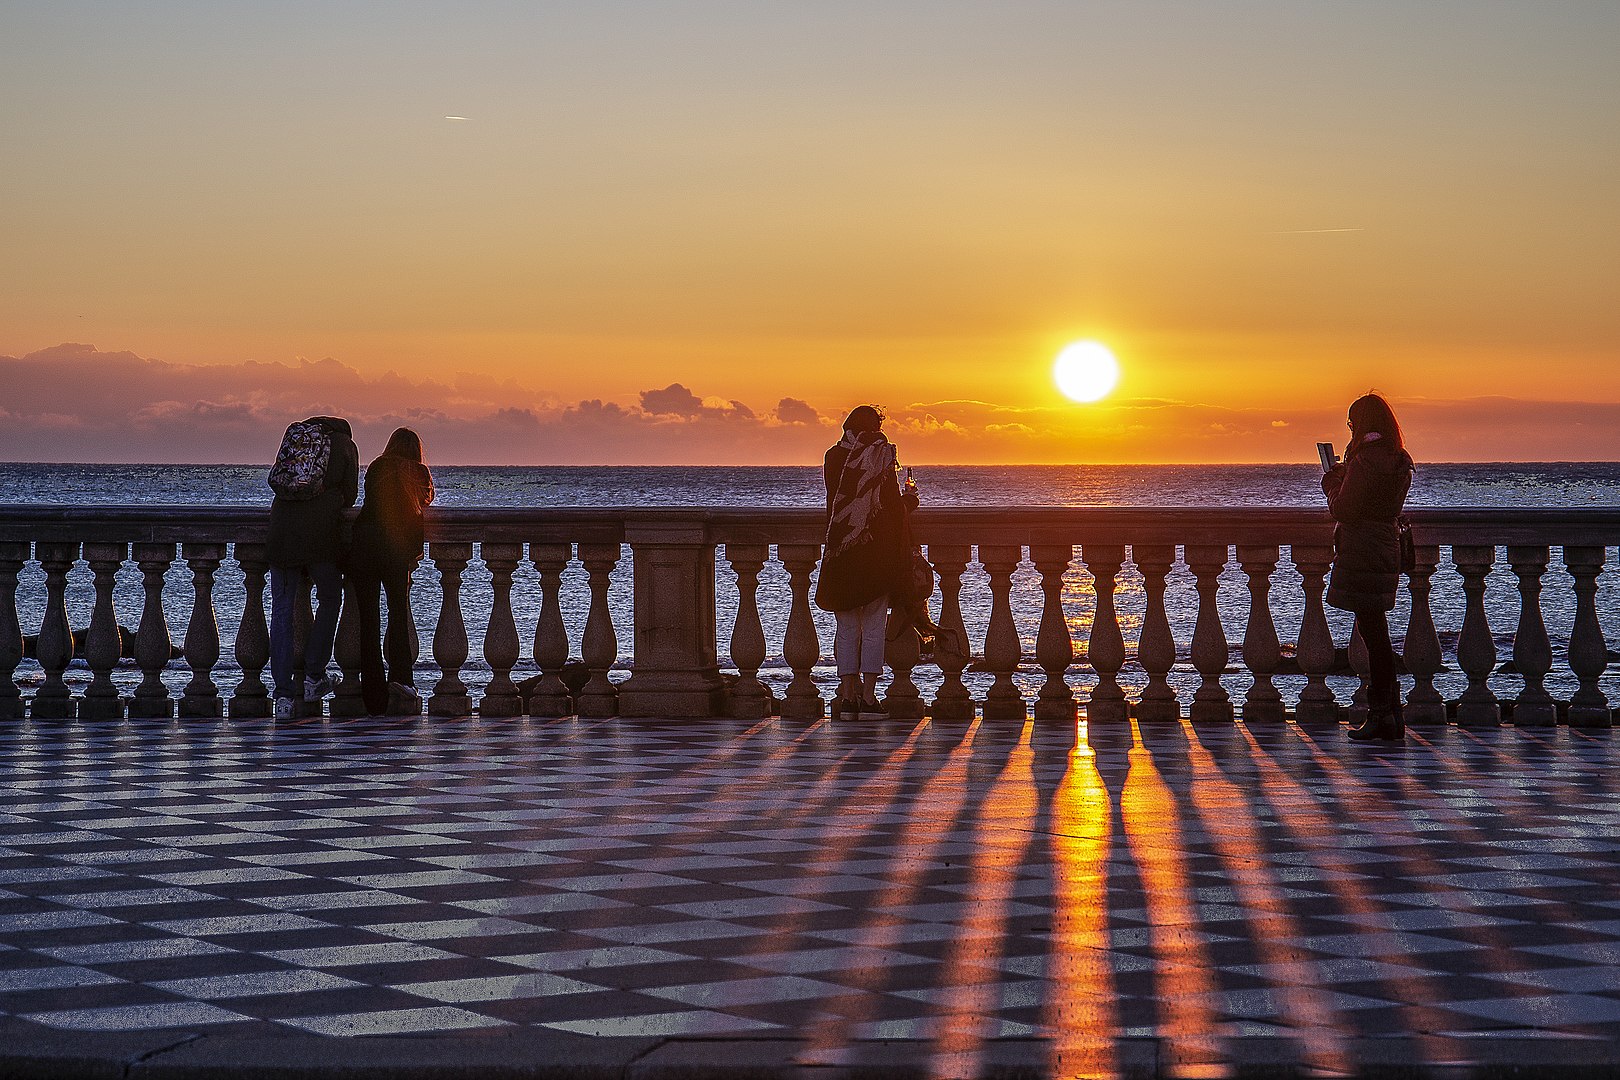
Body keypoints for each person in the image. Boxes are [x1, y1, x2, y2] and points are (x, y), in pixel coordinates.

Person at [814, 405, 917, 720]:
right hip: (873, 555)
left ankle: (847, 698)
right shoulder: (878, 456)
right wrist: (908, 501)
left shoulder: (833, 457)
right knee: (873, 627)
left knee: (846, 629)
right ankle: (869, 699)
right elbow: (887, 507)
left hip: (841, 553)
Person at [1323, 393, 1414, 742]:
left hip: (1362, 551)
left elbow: (1345, 509)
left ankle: (1383, 716)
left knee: (1374, 635)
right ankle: (1391, 715)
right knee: (1376, 633)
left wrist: (1332, 482)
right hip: (1386, 548)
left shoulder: (1365, 460)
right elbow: (1378, 501)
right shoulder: (1399, 459)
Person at [267, 416, 360, 720]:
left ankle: (282, 697)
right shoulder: (345, 445)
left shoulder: (296, 438)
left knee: (281, 611)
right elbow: (351, 494)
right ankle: (313, 677)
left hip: (282, 532)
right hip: (320, 535)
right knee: (331, 598)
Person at [347, 427, 435, 716]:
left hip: (365, 547)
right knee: (398, 614)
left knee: (369, 624)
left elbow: (370, 501)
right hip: (396, 552)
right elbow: (426, 501)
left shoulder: (376, 467)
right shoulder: (419, 473)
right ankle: (402, 679)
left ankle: (374, 698)